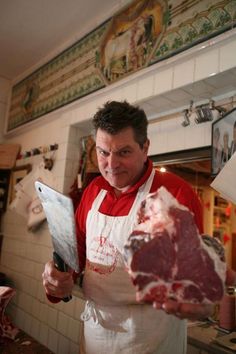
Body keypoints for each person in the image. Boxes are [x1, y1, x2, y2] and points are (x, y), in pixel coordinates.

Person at [42, 101, 215, 354]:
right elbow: (77, 253)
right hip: (96, 334)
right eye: (103, 152)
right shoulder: (94, 190)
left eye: (123, 152)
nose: (111, 164)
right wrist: (58, 278)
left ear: (145, 148)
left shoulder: (176, 194)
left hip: (149, 339)